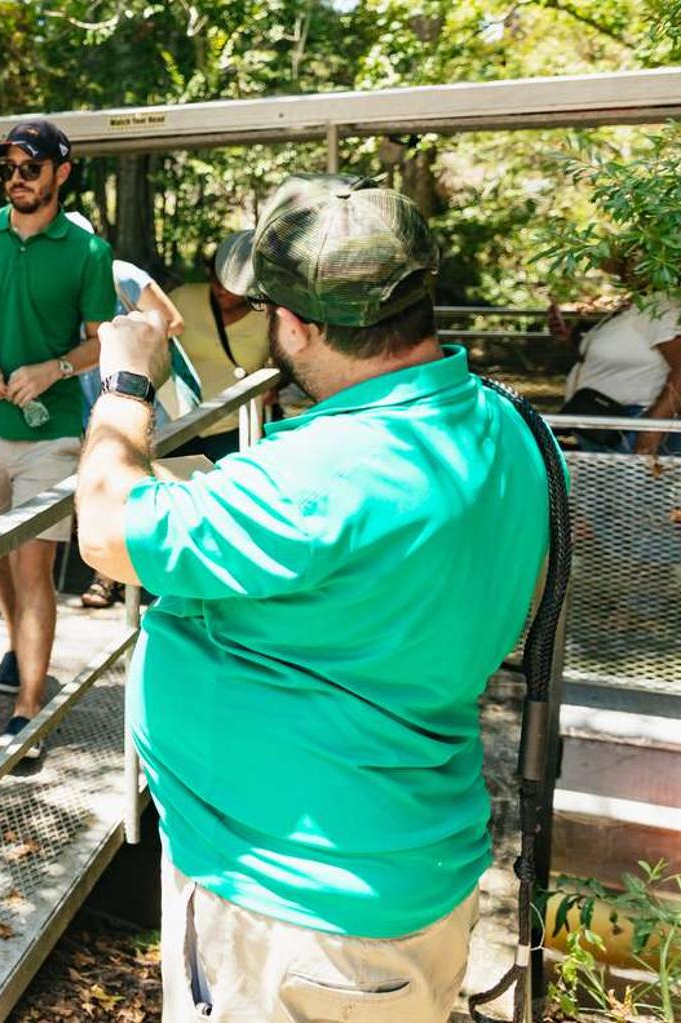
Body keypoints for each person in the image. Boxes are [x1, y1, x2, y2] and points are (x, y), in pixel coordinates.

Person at [75, 179, 552, 1022]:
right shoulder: (510, 427)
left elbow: (108, 531)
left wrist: (124, 383)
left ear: (294, 325)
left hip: (296, 913)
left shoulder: (323, 474)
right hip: (404, 868)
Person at [0, 118, 115, 758]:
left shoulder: (89, 252)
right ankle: (18, 645)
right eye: (8, 168)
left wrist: (54, 368)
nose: (16, 179)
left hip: (50, 431)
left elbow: (101, 341)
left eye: (30, 168)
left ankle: (28, 711)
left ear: (61, 173)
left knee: (33, 564)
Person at [76, 249, 191, 610]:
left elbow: (173, 321)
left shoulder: (120, 274)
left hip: (141, 391)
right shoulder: (58, 280)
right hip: (92, 395)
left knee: (144, 478)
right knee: (104, 479)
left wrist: (126, 339)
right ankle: (108, 576)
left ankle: (154, 577)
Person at [554, 254, 681, 459]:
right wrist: (568, 339)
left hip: (631, 425)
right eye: (628, 262)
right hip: (602, 422)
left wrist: (652, 429)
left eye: (639, 261)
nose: (631, 269)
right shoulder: (632, 307)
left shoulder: (660, 308)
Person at [162, 243, 275, 463]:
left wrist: (274, 386)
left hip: (234, 426)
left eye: (231, 284)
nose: (222, 290)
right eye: (216, 280)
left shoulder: (270, 316)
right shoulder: (183, 297)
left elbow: (287, 361)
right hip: (175, 425)